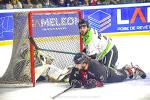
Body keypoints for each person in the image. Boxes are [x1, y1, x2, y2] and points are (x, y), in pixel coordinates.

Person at [69, 52, 146, 89]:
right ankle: (124, 69)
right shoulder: (77, 68)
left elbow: (103, 80)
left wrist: (96, 83)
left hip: (109, 74)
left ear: (84, 63)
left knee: (123, 76)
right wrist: (74, 81)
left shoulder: (96, 68)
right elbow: (72, 78)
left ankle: (132, 69)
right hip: (98, 74)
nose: (76, 65)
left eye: (78, 63)